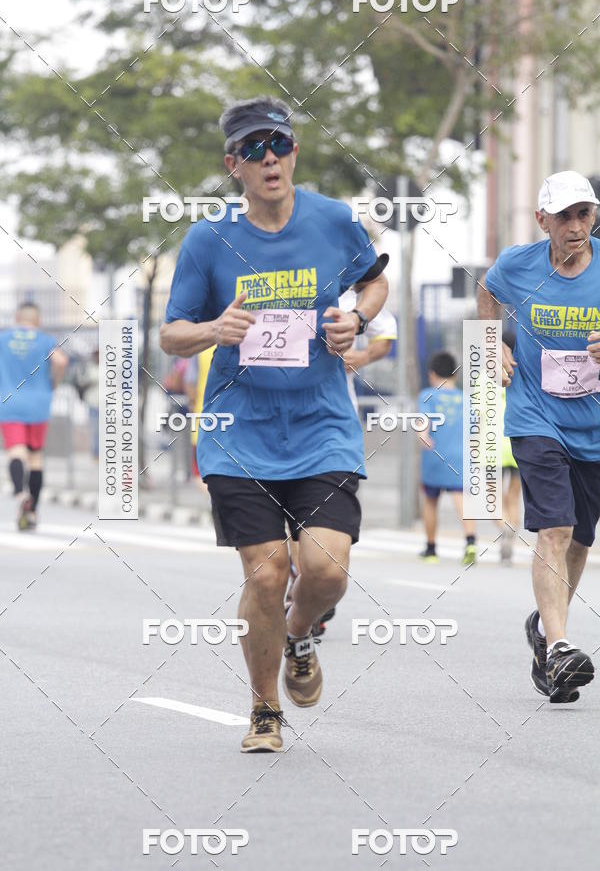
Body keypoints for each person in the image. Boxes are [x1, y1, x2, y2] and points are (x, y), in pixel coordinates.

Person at [160, 95, 389, 752]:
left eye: (279, 145)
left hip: (321, 425)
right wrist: (212, 328)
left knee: (324, 571)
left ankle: (300, 632)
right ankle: (265, 711)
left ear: (294, 152)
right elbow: (172, 334)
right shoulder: (209, 239)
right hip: (239, 432)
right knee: (265, 572)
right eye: (254, 150)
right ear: (233, 164)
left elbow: (374, 284)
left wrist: (357, 319)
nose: (270, 159)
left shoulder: (333, 220)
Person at [478, 170, 600, 703]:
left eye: (585, 214)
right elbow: (487, 293)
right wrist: (492, 345)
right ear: (542, 220)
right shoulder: (517, 265)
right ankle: (560, 646)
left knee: (579, 542)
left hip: (593, 425)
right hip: (535, 416)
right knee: (555, 526)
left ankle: (546, 632)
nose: (576, 227)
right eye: (565, 216)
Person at [285, 290, 398, 636]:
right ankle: (303, 584)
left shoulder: (350, 299)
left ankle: (309, 587)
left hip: (331, 423)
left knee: (317, 521)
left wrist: (358, 359)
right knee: (288, 516)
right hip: (275, 421)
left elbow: (386, 335)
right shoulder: (273, 282)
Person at [0, 302, 68, 529]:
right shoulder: (45, 340)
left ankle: (21, 494)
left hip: (10, 403)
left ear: (17, 318)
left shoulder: (3, 338)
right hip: (39, 403)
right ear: (38, 320)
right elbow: (61, 361)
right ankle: (32, 513)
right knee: (36, 459)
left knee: (16, 453)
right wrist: (53, 383)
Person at [418, 351, 477, 565]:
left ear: (432, 374)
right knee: (461, 498)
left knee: (431, 501)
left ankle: (431, 549)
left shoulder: (427, 395)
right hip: (460, 456)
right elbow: (475, 428)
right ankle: (470, 542)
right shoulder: (467, 399)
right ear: (456, 375)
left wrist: (423, 436)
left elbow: (423, 419)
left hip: (435, 454)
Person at [494, 331, 522, 563]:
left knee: (495, 497)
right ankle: (511, 532)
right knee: (514, 496)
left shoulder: (484, 377)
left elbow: (478, 416)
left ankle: (504, 527)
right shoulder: (524, 374)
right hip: (518, 443)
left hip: (493, 446)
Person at [184, 346, 216, 494]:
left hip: (204, 424)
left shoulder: (201, 348)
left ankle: (216, 504)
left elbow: (189, 384)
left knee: (200, 475)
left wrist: (193, 403)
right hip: (235, 429)